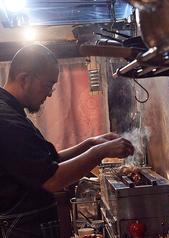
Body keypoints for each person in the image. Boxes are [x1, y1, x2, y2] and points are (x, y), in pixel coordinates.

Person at [0, 44, 134, 238]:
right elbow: (51, 179)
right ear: (24, 79)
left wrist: (91, 143)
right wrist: (101, 152)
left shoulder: (12, 113)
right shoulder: (8, 121)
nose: (49, 93)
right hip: (18, 229)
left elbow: (49, 161)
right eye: (48, 85)